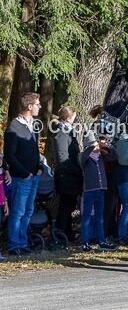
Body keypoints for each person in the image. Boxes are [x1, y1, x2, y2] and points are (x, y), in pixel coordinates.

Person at [3, 92, 45, 257]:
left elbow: (35, 150)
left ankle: (23, 242)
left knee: (28, 211)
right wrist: (24, 173)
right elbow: (9, 155)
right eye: (37, 104)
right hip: (22, 177)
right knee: (18, 212)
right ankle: (14, 245)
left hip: (34, 175)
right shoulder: (14, 127)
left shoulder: (34, 125)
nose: (39, 106)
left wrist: (40, 167)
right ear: (29, 106)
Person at [79, 131, 116, 251]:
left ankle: (101, 240)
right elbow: (83, 158)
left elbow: (114, 156)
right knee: (87, 216)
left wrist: (108, 147)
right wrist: (91, 148)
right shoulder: (84, 156)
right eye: (94, 144)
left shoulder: (101, 156)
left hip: (101, 189)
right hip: (89, 189)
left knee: (100, 217)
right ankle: (85, 241)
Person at [51, 106, 83, 241]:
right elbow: (62, 156)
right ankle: (62, 232)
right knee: (66, 205)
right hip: (66, 176)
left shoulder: (70, 131)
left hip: (71, 176)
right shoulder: (61, 133)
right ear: (70, 117)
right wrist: (77, 169)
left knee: (69, 205)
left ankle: (67, 232)